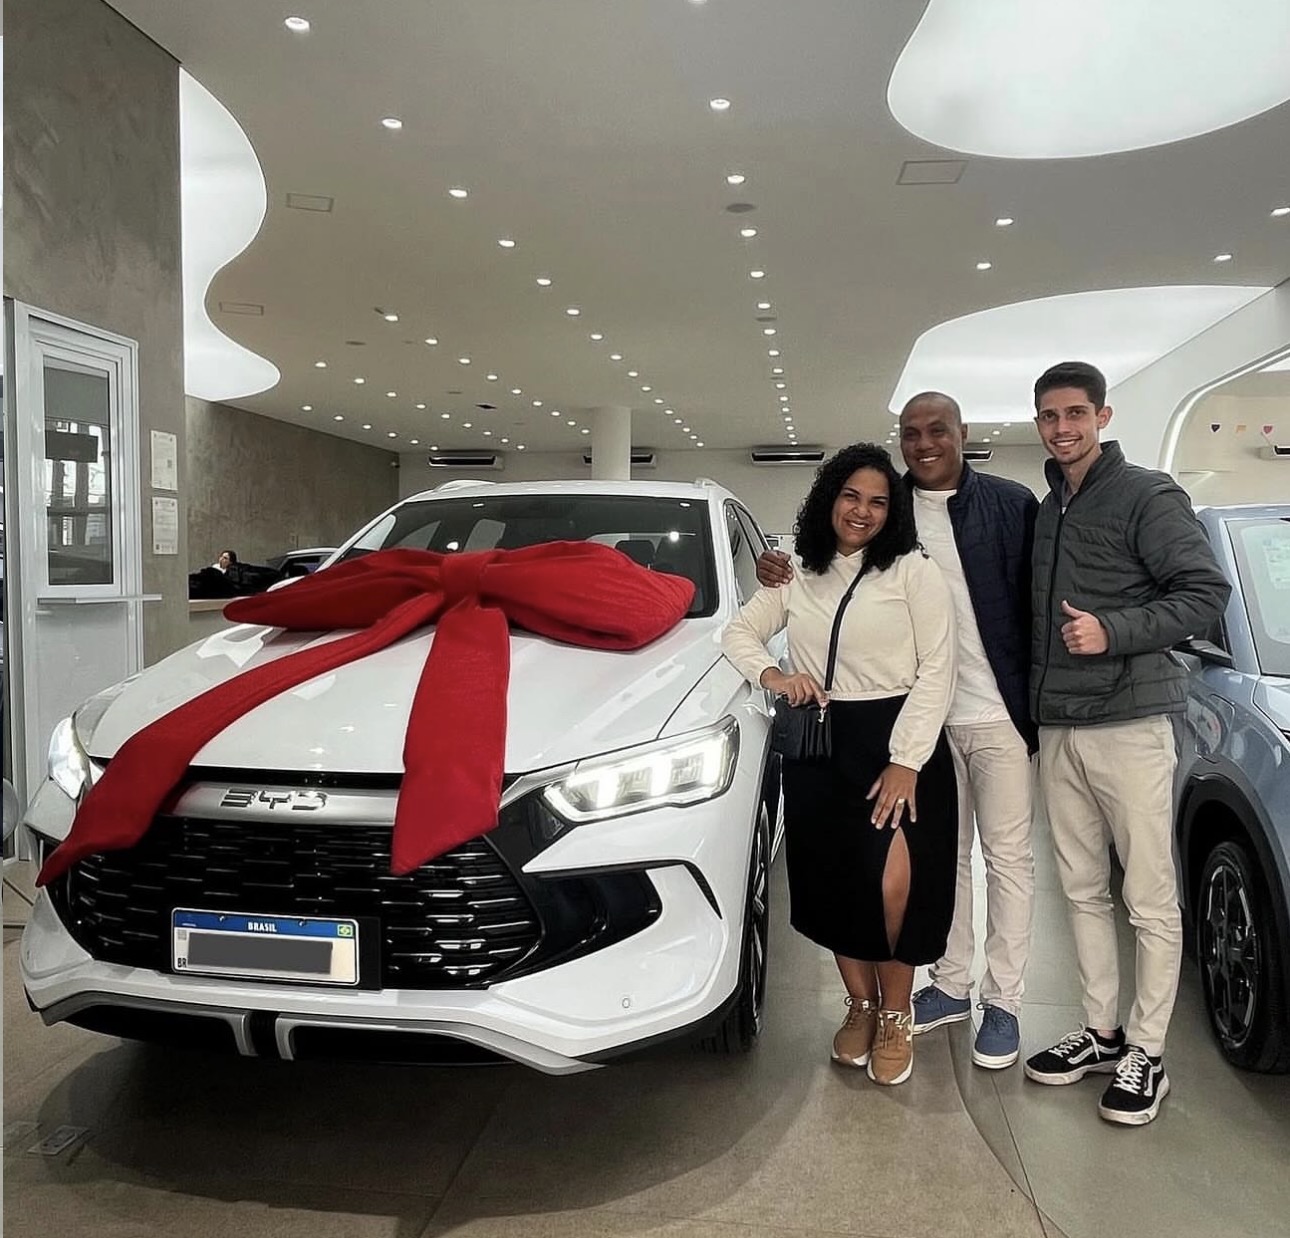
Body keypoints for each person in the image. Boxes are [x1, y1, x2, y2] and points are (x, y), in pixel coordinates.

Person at [758, 392, 1039, 1070]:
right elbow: (812, 578)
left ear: (962, 433)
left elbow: (1034, 597)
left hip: (990, 711)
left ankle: (1003, 1001)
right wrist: (777, 570)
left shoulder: (1010, 504)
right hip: (907, 722)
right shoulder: (891, 504)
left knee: (1004, 860)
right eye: (911, 433)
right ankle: (948, 985)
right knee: (939, 866)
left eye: (938, 430)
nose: (924, 443)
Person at [1022, 361, 1230, 1126]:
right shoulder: (1050, 509)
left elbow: (1205, 594)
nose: (1062, 428)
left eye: (1075, 413)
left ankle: (1148, 1052)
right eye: (1050, 416)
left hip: (1130, 724)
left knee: (1147, 898)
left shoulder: (1146, 493)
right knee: (1080, 890)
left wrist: (1113, 631)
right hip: (1060, 725)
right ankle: (1101, 1033)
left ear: (1102, 417)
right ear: (1038, 423)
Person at [723, 443, 958, 1086]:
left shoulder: (914, 571)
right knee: (834, 881)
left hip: (898, 738)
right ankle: (860, 1004)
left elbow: (938, 669)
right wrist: (774, 675)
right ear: (830, 499)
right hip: (822, 741)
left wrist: (907, 761)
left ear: (893, 511)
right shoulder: (798, 571)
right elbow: (737, 633)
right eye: (851, 496)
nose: (862, 511)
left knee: (894, 885)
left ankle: (897, 1013)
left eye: (878, 501)